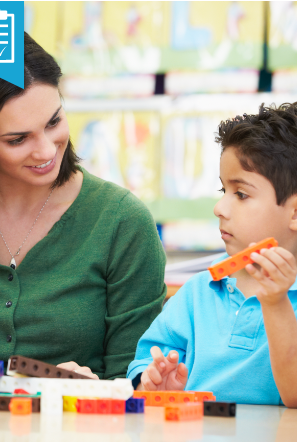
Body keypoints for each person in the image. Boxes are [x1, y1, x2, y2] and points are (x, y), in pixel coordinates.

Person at [0, 34, 167, 384]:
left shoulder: (122, 223)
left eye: (54, 122)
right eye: (18, 139)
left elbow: (137, 384)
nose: (46, 152)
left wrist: (94, 392)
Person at [127, 104, 297, 408]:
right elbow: (145, 359)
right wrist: (151, 381)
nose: (219, 208)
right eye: (223, 190)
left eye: (241, 194)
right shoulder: (198, 292)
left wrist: (276, 303)